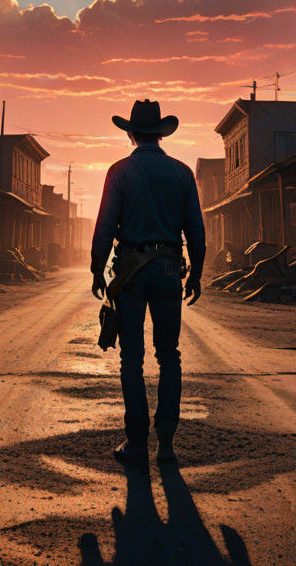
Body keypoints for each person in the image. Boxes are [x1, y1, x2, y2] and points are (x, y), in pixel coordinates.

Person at [91, 99, 206, 471]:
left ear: (130, 133)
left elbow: (105, 226)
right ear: (160, 134)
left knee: (132, 358)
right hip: (170, 270)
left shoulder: (119, 171)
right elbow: (197, 232)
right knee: (169, 355)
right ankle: (167, 444)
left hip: (131, 271)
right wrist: (198, 273)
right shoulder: (182, 173)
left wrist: (97, 269)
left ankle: (137, 443)